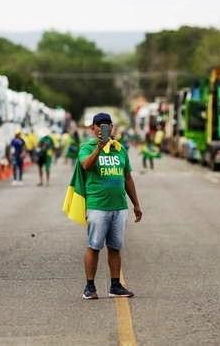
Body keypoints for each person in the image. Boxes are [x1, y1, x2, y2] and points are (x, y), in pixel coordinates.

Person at [79, 113, 142, 300]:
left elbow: (128, 178)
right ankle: (89, 287)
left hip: (119, 206)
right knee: (94, 246)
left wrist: (136, 204)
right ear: (93, 128)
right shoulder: (86, 147)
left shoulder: (119, 149)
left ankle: (115, 286)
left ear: (111, 128)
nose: (102, 128)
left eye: (106, 125)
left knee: (115, 247)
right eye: (99, 126)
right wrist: (99, 148)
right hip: (97, 205)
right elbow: (86, 166)